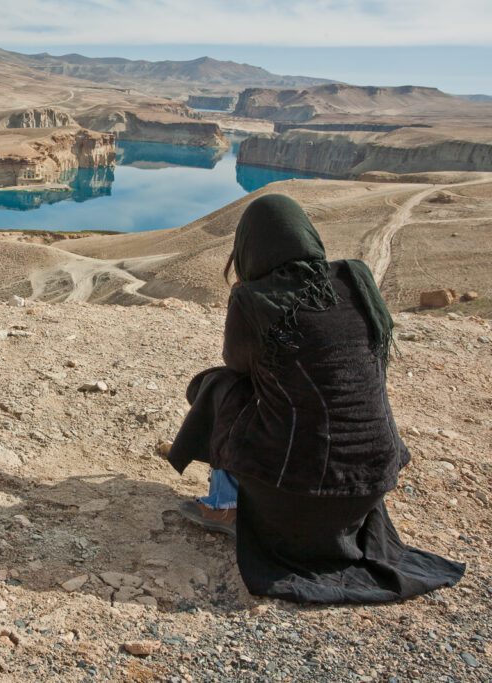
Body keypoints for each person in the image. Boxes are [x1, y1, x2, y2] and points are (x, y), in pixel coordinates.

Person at [166, 193, 465, 604]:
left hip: (299, 489)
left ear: (249, 247)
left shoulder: (255, 299)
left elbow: (236, 364)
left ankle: (224, 503)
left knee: (218, 386)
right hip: (370, 482)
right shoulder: (357, 279)